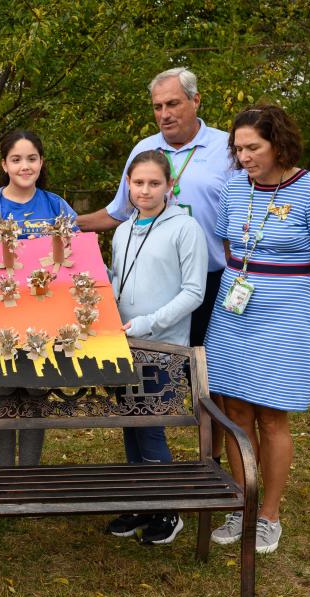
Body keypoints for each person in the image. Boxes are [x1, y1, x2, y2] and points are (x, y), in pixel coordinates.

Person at [76, 67, 236, 463]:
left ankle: (207, 461)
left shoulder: (228, 148)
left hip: (211, 280)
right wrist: (62, 223)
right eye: (157, 106)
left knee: (206, 381)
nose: (164, 113)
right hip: (147, 290)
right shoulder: (144, 151)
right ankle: (146, 485)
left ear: (195, 101)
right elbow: (118, 213)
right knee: (139, 394)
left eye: (173, 104)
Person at [205, 104, 310, 554]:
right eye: (238, 148)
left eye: (253, 147)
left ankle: (269, 515)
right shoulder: (233, 188)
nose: (244, 156)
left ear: (278, 143)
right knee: (234, 412)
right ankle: (240, 504)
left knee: (271, 414)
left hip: (285, 313)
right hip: (233, 309)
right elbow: (231, 244)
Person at [106, 150, 208, 544]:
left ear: (169, 186)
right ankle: (140, 498)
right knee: (130, 426)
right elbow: (119, 278)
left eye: (154, 183)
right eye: (137, 183)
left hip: (162, 347)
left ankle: (167, 509)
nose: (145, 190)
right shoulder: (123, 230)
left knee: (150, 428)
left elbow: (194, 292)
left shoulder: (185, 229)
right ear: (127, 186)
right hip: (123, 344)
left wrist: (148, 323)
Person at [0, 130, 78, 466]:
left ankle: (29, 471)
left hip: (45, 314)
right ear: (4, 164)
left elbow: (75, 258)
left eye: (31, 158)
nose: (24, 166)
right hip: (1, 314)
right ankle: (5, 472)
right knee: (1, 390)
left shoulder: (56, 205)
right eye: (16, 159)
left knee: (36, 390)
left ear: (41, 161)